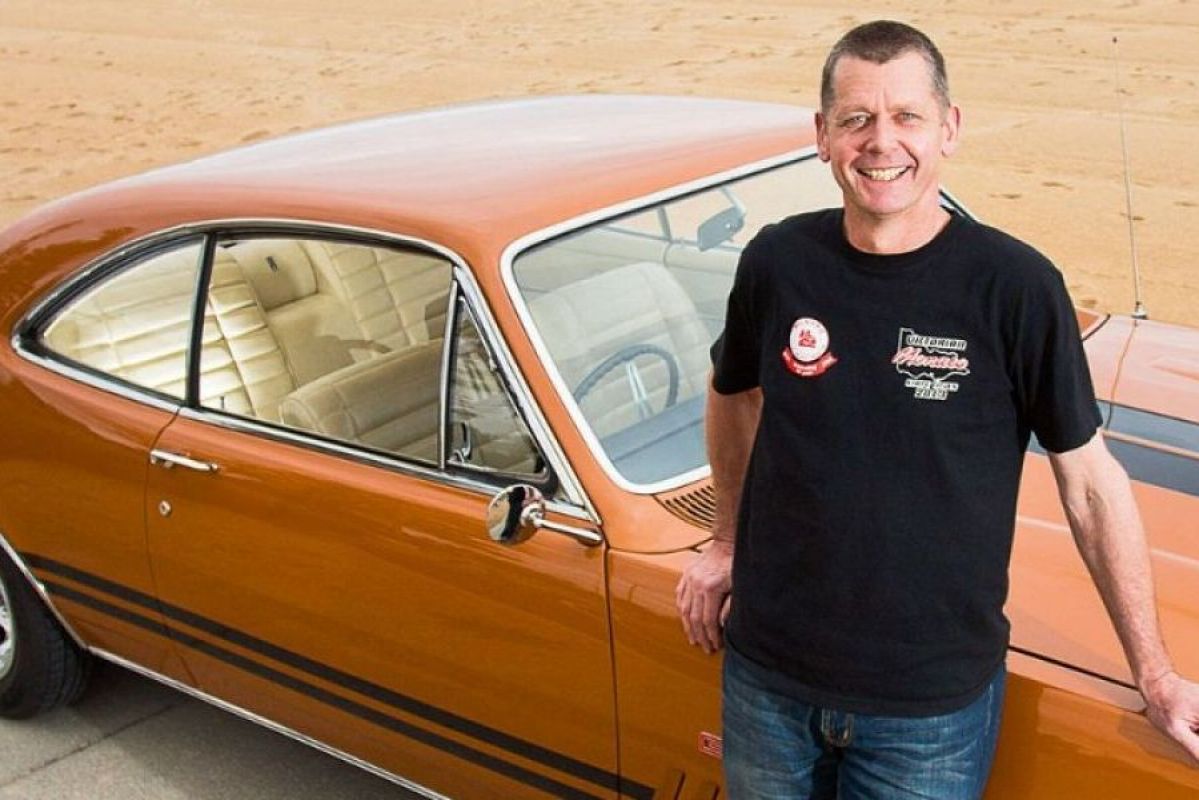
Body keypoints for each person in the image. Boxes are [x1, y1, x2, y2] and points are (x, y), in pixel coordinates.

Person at [675, 19, 1199, 799]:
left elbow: (1088, 483)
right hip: (765, 681)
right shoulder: (778, 260)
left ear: (948, 129)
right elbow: (733, 396)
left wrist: (1154, 674)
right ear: (822, 136)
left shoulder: (1015, 288)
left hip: (927, 715)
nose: (880, 142)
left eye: (905, 116)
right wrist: (723, 540)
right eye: (855, 119)